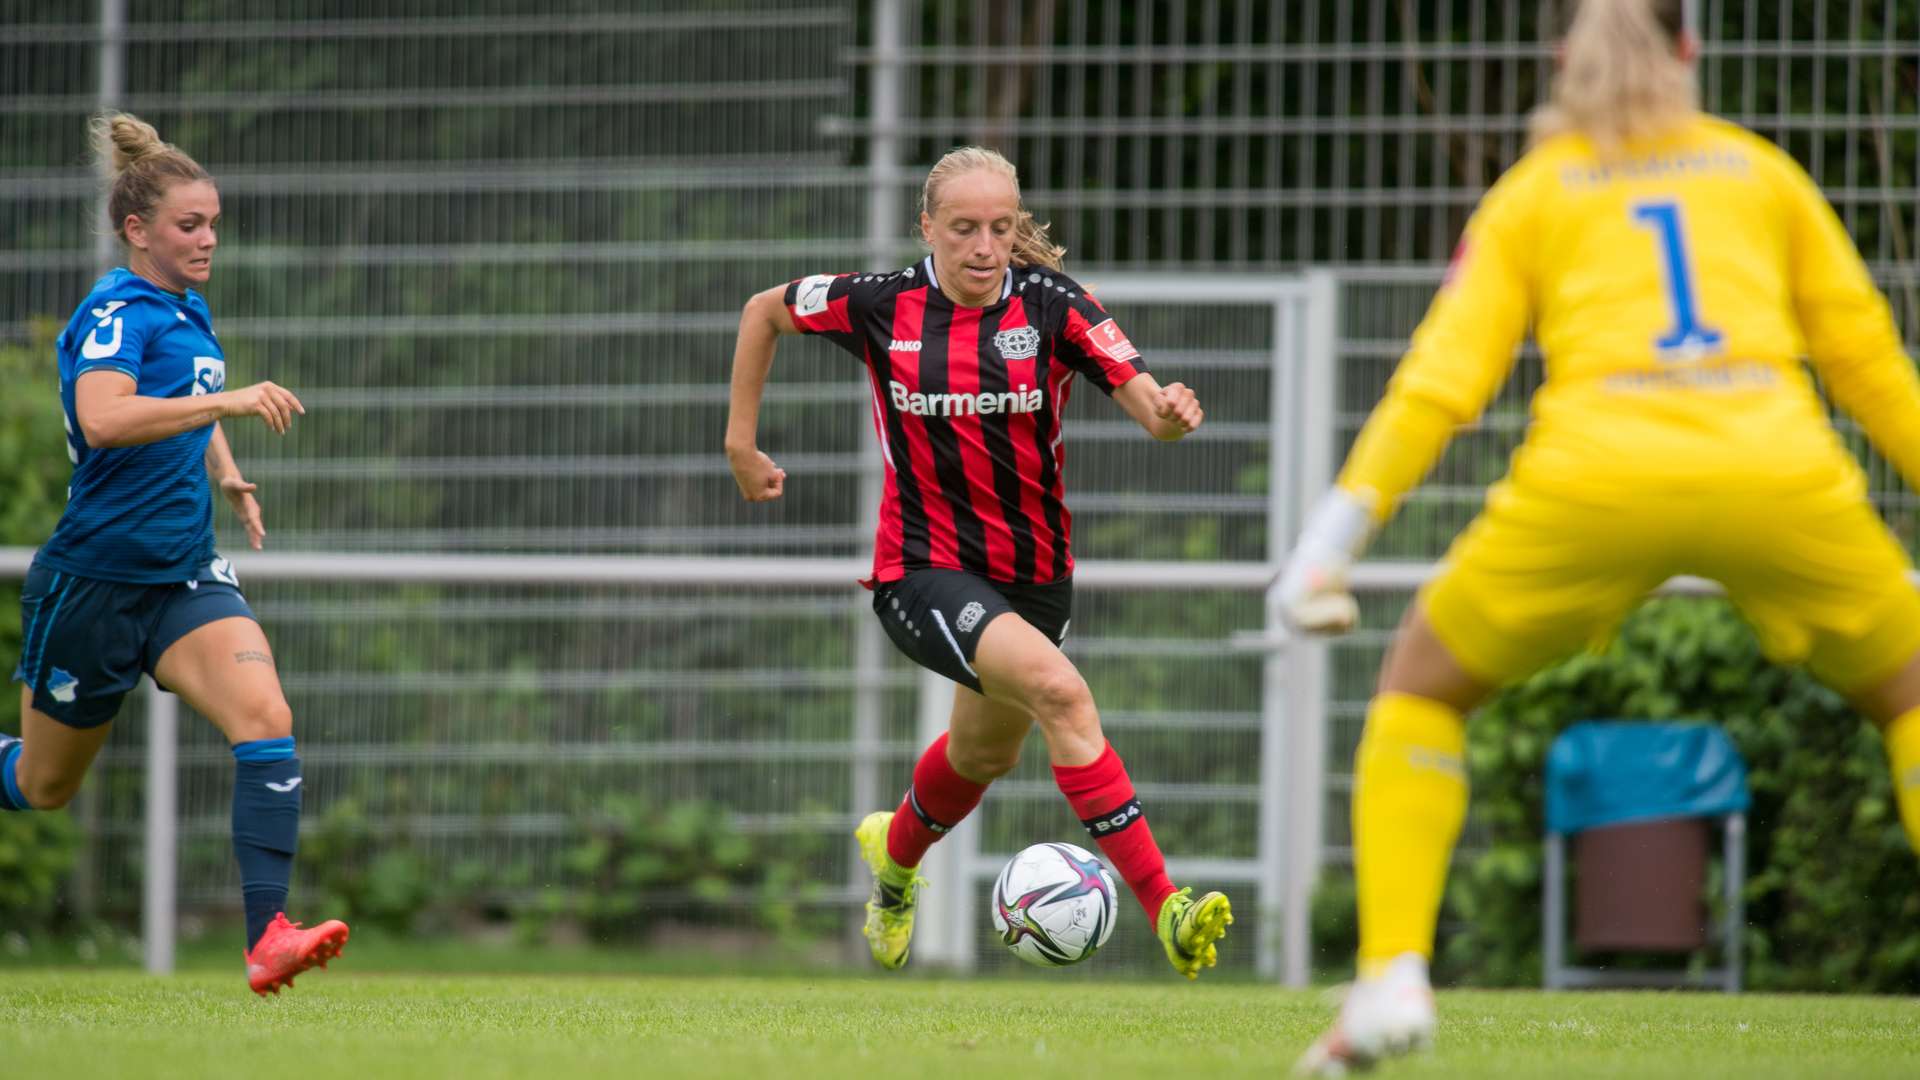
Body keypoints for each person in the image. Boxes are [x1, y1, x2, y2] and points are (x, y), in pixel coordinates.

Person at [1283, 0, 1920, 1072]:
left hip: (1597, 474)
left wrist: (1330, 542)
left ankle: (1392, 973)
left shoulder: (1536, 190)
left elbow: (1444, 382)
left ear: (1563, 62)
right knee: (1909, 697)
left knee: (1423, 688)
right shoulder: (1759, 173)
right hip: (1775, 465)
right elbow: (1867, 365)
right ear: (1691, 50)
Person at [725, 145, 1234, 978]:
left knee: (984, 758)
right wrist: (741, 443)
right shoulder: (878, 305)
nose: (984, 247)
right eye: (963, 229)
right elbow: (762, 310)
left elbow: (1145, 401)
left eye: (1001, 228)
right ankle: (1169, 908)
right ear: (927, 228)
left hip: (1034, 579)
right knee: (1062, 694)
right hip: (920, 572)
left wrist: (1172, 413)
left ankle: (892, 861)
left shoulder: (1055, 306)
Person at [1, 112, 348, 996]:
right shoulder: (115, 309)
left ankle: (267, 935)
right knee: (43, 787)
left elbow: (186, 399)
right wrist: (230, 407)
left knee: (265, 716)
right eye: (190, 225)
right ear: (137, 230)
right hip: (96, 582)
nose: (208, 239)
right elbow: (105, 418)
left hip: (184, 575)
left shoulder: (186, 311)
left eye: (214, 223)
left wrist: (226, 473)